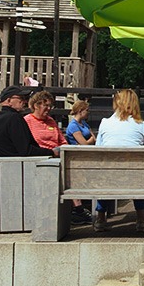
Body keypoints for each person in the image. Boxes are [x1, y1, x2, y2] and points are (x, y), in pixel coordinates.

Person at [25, 91, 92, 225]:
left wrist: (63, 149)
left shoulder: (51, 121)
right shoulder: (27, 121)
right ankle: (78, 209)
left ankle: (79, 208)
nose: (49, 109)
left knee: (75, 167)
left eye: (50, 106)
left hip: (58, 155)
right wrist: (50, 152)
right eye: (46, 106)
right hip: (42, 157)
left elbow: (62, 140)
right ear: (36, 105)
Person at [95, 89, 144, 233]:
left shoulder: (105, 123)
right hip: (133, 176)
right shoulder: (142, 125)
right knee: (137, 175)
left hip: (108, 176)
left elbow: (98, 149)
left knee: (105, 175)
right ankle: (141, 219)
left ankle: (100, 218)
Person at [0, 86, 49, 157]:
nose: (25, 101)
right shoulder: (14, 118)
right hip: (17, 164)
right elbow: (26, 150)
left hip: (2, 162)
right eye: (21, 98)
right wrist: (51, 152)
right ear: (9, 101)